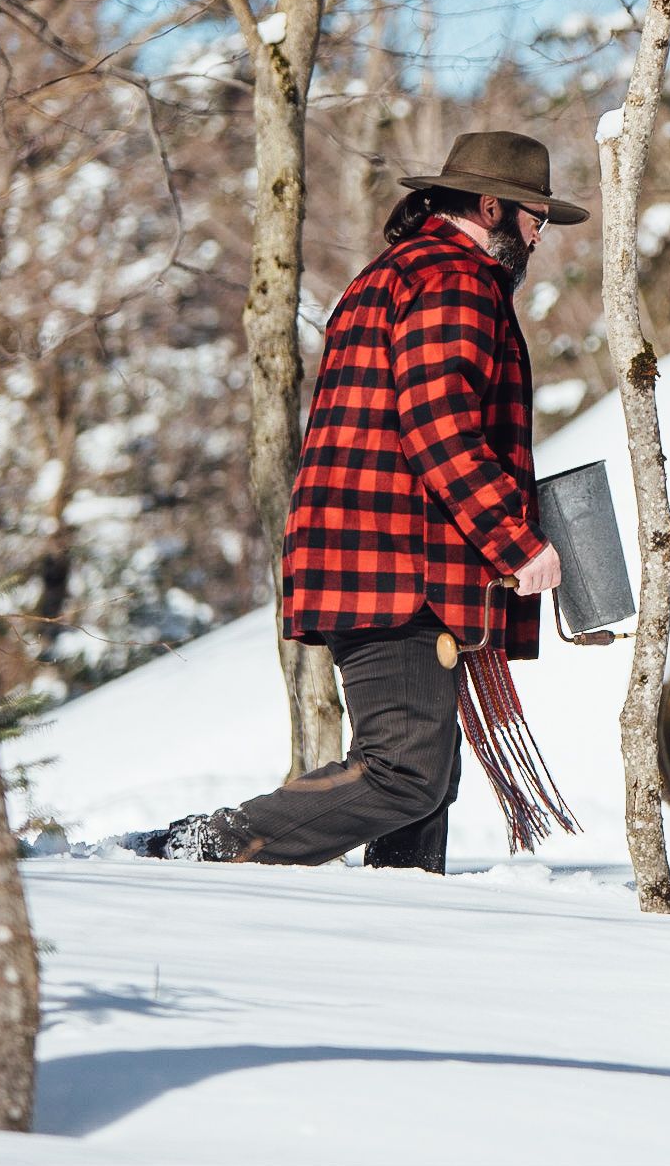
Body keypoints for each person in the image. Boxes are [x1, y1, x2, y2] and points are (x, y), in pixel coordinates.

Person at [141, 131, 587, 870]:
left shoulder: (397, 273)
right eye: (535, 217)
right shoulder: (455, 279)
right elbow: (440, 426)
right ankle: (199, 847)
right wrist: (517, 542)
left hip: (380, 557)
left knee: (427, 778)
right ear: (491, 207)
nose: (540, 236)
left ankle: (400, 910)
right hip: (397, 568)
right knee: (405, 771)